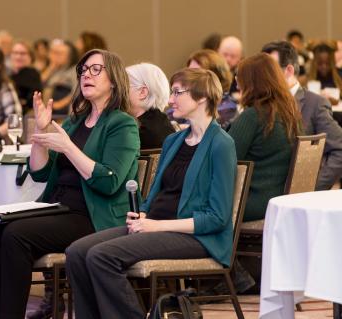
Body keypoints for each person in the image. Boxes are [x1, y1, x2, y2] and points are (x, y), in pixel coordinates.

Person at [0, 49, 140, 318]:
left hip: (93, 215)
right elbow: (41, 173)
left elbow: (109, 182)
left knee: (17, 235)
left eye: (96, 69)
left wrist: (68, 147)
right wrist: (40, 133)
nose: (86, 74)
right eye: (83, 70)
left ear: (114, 80)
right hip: (58, 208)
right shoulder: (75, 122)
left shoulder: (122, 125)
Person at [65, 68, 237, 319]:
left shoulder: (221, 144)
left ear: (201, 98)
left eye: (178, 92)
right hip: (155, 225)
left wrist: (156, 226)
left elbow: (217, 217)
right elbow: (156, 192)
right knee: (77, 252)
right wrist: (142, 213)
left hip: (197, 236)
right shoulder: (174, 141)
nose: (170, 99)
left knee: (102, 257)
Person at [229, 53, 302, 222]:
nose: (236, 83)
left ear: (251, 82)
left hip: (250, 203)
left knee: (183, 201)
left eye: (239, 78)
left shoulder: (253, 116)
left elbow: (224, 160)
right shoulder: (290, 113)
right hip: (278, 198)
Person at [262, 41, 342, 190]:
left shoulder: (314, 104)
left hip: (300, 199)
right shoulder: (261, 105)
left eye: (270, 70)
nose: (263, 76)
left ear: (289, 70)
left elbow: (339, 148)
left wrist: (312, 187)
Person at [126, 62, 174, 149]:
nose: (117, 91)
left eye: (124, 86)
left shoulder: (139, 132)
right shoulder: (161, 122)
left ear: (142, 92)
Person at [187, 49, 239, 130]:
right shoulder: (188, 101)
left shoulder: (227, 108)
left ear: (215, 77)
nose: (189, 78)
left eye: (197, 73)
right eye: (189, 72)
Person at [41, 39, 78, 115]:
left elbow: (77, 90)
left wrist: (60, 104)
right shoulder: (53, 69)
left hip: (63, 111)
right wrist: (51, 67)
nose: (55, 56)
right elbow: (39, 83)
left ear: (69, 56)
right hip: (48, 109)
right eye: (54, 53)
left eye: (60, 53)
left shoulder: (74, 70)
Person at [9, 40, 42, 114]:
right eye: (15, 53)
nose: (18, 56)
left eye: (23, 53)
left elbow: (30, 101)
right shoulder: (9, 75)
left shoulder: (32, 74)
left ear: (30, 57)